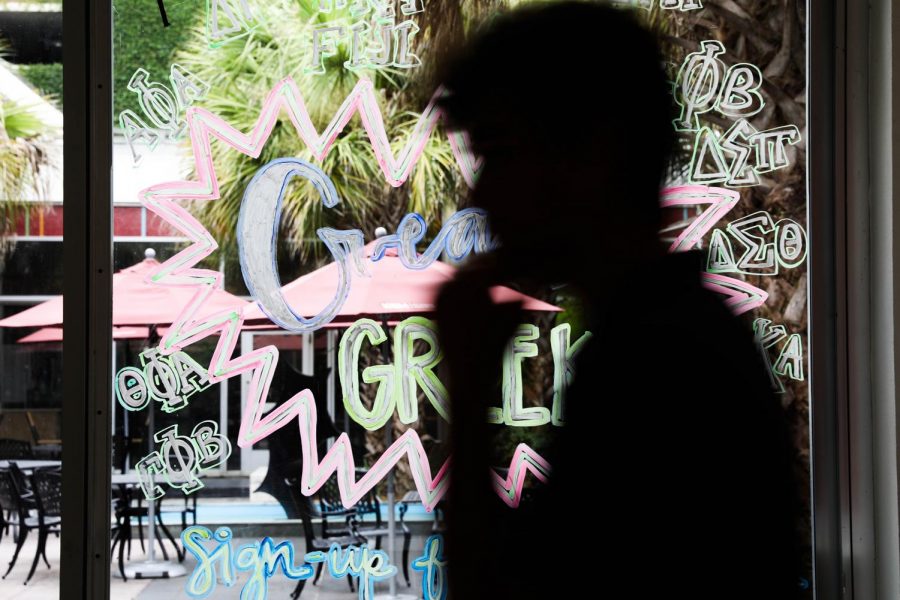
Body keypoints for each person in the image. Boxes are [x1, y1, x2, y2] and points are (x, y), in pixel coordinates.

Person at [435, 2, 801, 598]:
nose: (481, 194)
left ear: (591, 155)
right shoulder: (665, 336)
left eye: (500, 154)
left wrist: (471, 396)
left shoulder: (657, 364)